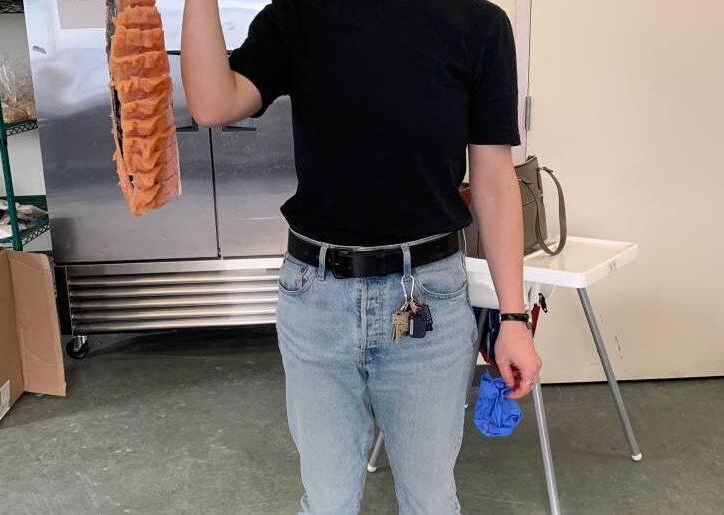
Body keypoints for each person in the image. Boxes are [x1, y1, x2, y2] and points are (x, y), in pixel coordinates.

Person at [181, 1, 542, 513]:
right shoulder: (299, 14)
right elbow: (213, 104)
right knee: (327, 501)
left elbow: (494, 181)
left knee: (431, 500)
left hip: (429, 300)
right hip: (315, 296)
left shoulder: (478, 23)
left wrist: (512, 318)